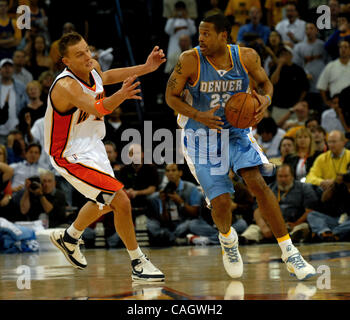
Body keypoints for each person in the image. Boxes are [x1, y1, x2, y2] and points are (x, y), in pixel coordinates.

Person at [165, 14, 316, 280]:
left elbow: (266, 84)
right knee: (222, 204)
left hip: (236, 132)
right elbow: (170, 97)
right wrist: (199, 115)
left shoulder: (246, 57)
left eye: (207, 34)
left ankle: (289, 251)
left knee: (257, 181)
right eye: (200, 33)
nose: (201, 38)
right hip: (201, 137)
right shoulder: (190, 59)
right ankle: (227, 239)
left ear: (224, 35)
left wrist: (264, 102)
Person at [45, 32, 165, 282]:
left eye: (87, 50)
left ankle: (69, 238)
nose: (88, 57)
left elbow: (106, 77)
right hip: (69, 152)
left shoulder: (92, 67)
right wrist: (121, 95)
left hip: (93, 145)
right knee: (120, 200)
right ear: (66, 61)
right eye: (80, 54)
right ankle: (138, 262)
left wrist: (146, 67)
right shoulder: (66, 86)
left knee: (105, 201)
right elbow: (98, 107)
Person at [252, 164, 319, 243]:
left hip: (294, 224)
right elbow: (257, 210)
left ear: (292, 176)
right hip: (271, 226)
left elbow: (310, 210)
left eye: (286, 176)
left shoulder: (304, 188)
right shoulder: (268, 189)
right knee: (252, 230)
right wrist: (264, 227)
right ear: (276, 177)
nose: (283, 179)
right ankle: (246, 240)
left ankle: (291, 237)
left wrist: (296, 223)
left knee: (303, 228)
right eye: (280, 176)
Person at [147, 163, 206, 246]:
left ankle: (173, 238)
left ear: (180, 173)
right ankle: (174, 238)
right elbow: (164, 219)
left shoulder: (191, 188)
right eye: (168, 171)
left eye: (173, 170)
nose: (170, 173)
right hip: (170, 226)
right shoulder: (163, 190)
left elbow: (195, 213)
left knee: (191, 224)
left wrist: (180, 201)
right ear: (165, 174)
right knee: (151, 224)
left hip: (187, 222)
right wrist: (163, 202)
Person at [307, 170, 350, 242]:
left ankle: (332, 233)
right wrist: (334, 184)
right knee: (312, 215)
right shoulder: (340, 185)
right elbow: (324, 199)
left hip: (348, 221)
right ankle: (326, 232)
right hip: (336, 220)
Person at [0, 58, 28, 145]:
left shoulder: (21, 86)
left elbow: (25, 106)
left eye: (10, 67)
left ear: (13, 69)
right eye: (4, 67)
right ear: (0, 70)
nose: (7, 69)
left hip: (16, 130)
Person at [317, 39, 350, 108]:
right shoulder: (331, 66)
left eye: (346, 47)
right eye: (341, 47)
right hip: (336, 103)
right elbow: (321, 86)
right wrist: (326, 102)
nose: (343, 49)